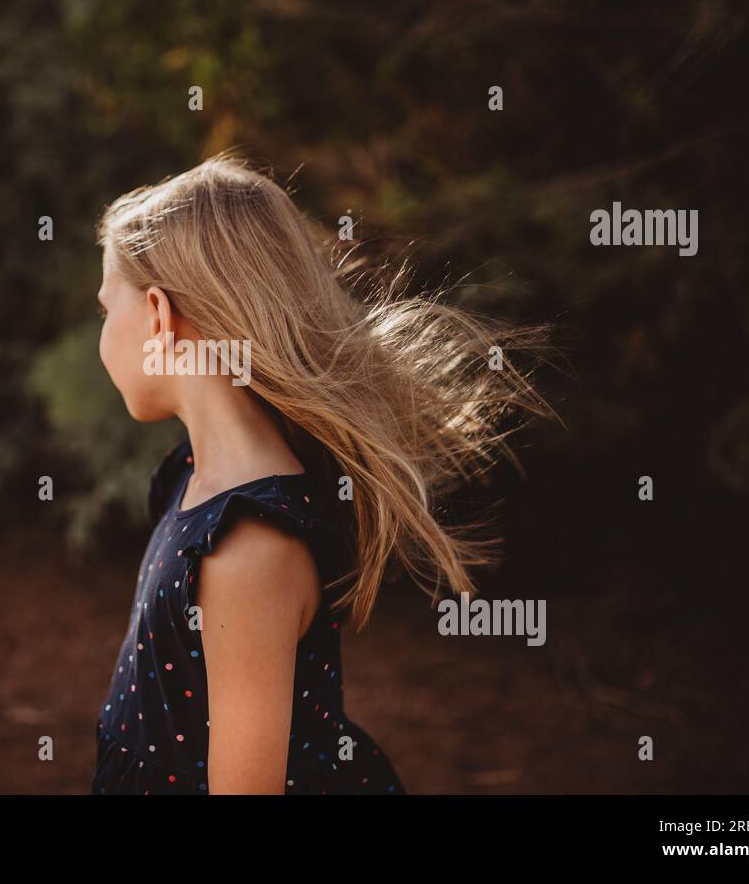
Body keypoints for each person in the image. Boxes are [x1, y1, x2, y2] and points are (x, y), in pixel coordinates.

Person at [90, 150, 553, 794]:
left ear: (161, 319)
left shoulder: (248, 544)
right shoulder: (196, 476)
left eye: (107, 311)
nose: (102, 334)